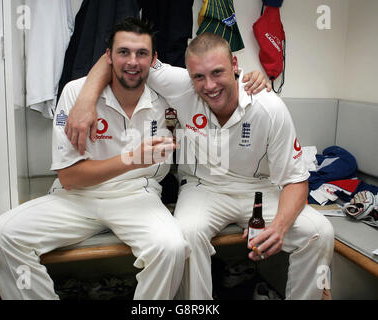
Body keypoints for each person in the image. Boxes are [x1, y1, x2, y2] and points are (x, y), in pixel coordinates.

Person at [67, 32, 335, 300]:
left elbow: (296, 180)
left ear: (234, 65)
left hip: (257, 189)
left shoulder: (270, 107)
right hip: (203, 187)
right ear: (189, 76)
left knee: (318, 233)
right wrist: (85, 99)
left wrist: (279, 226)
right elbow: (121, 59)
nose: (209, 85)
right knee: (187, 235)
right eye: (198, 77)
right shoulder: (180, 84)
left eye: (217, 72)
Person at [0, 17, 190, 300]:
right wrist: (132, 159)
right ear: (108, 57)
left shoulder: (168, 93)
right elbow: (69, 178)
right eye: (123, 52)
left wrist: (254, 80)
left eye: (141, 53)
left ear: (154, 59)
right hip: (77, 198)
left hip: (137, 196)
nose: (132, 61)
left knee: (172, 247)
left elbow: (219, 80)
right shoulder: (76, 94)